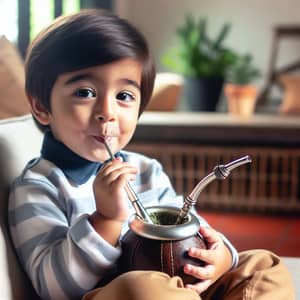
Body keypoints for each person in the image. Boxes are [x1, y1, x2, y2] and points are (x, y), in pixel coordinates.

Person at [8, 9, 295, 300]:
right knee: (141, 288)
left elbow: (191, 226)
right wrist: (105, 218)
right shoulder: (38, 188)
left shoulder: (145, 170)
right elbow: (55, 289)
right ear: (42, 107)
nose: (107, 112)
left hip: (182, 290)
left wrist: (219, 257)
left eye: (124, 96)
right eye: (85, 92)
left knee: (262, 265)